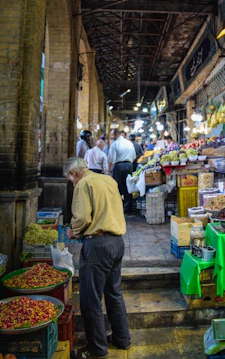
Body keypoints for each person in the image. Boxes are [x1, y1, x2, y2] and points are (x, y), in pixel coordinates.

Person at [64, 157, 131, 359]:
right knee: (113, 293)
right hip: (117, 242)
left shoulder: (83, 184)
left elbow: (83, 217)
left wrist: (73, 231)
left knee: (91, 299)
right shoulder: (108, 180)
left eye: (70, 179)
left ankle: (97, 349)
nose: (72, 183)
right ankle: (122, 338)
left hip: (98, 245)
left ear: (73, 174)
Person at [108, 128, 136, 213]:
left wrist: (108, 171)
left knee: (118, 187)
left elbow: (111, 160)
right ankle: (128, 208)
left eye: (112, 135)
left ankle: (118, 207)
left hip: (119, 166)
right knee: (128, 186)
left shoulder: (115, 144)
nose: (111, 137)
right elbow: (134, 156)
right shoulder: (129, 143)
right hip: (129, 165)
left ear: (116, 135)